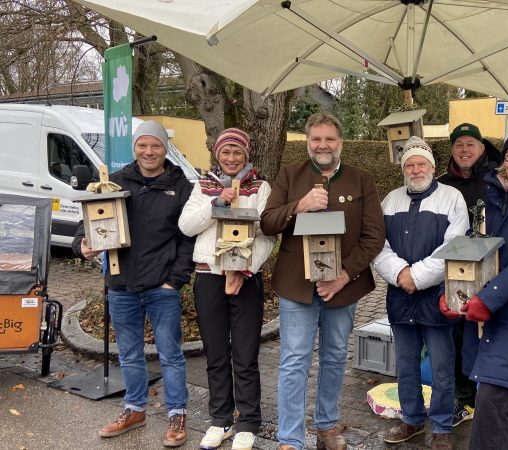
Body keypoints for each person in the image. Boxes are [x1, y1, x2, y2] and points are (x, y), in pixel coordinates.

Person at [260, 112, 385, 450]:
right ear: (308, 142)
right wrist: (299, 205)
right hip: (296, 287)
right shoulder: (290, 175)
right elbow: (268, 223)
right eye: (316, 139)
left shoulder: (362, 180)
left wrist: (344, 276)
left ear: (340, 142)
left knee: (333, 357)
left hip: (342, 288)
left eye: (329, 139)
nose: (323, 145)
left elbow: (374, 237)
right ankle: (290, 438)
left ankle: (327, 425)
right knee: (293, 359)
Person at [73, 121, 195, 447]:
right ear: (135, 148)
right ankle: (135, 408)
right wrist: (82, 245)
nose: (149, 151)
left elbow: (187, 240)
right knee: (128, 355)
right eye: (143, 145)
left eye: (155, 145)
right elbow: (88, 220)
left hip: (161, 287)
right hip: (121, 285)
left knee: (170, 355)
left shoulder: (180, 187)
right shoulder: (116, 183)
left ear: (164, 149)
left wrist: (175, 280)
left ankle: (176, 413)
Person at [441, 127, 508, 450]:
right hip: (486, 319)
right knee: (498, 399)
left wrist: (487, 299)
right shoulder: (489, 198)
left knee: (494, 399)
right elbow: (475, 250)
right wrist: (453, 290)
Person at [178, 128, 275, 450]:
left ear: (246, 155)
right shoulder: (202, 186)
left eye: (238, 153)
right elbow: (187, 225)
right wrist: (217, 202)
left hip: (245, 280)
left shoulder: (260, 188)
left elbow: (266, 236)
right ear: (217, 155)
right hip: (208, 276)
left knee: (245, 354)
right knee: (216, 353)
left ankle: (247, 421)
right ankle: (219, 419)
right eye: (226, 152)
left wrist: (244, 271)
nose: (231, 158)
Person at [374, 137, 469, 450]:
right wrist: (400, 274)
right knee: (406, 365)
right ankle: (412, 419)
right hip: (401, 297)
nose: (416, 169)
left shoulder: (451, 198)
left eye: (421, 164)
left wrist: (417, 276)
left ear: (432, 167)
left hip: (436, 299)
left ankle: (441, 427)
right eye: (410, 165)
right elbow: (378, 244)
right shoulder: (390, 200)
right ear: (404, 169)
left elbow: (454, 247)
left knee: (442, 367)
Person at [436, 122, 501, 426]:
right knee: (455, 336)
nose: (464, 150)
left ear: (481, 148)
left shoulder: (495, 181)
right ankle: (463, 399)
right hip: (453, 269)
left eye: (470, 144)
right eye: (459, 144)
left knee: (483, 336)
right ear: (452, 149)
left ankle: (485, 396)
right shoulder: (442, 184)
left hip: (487, 268)